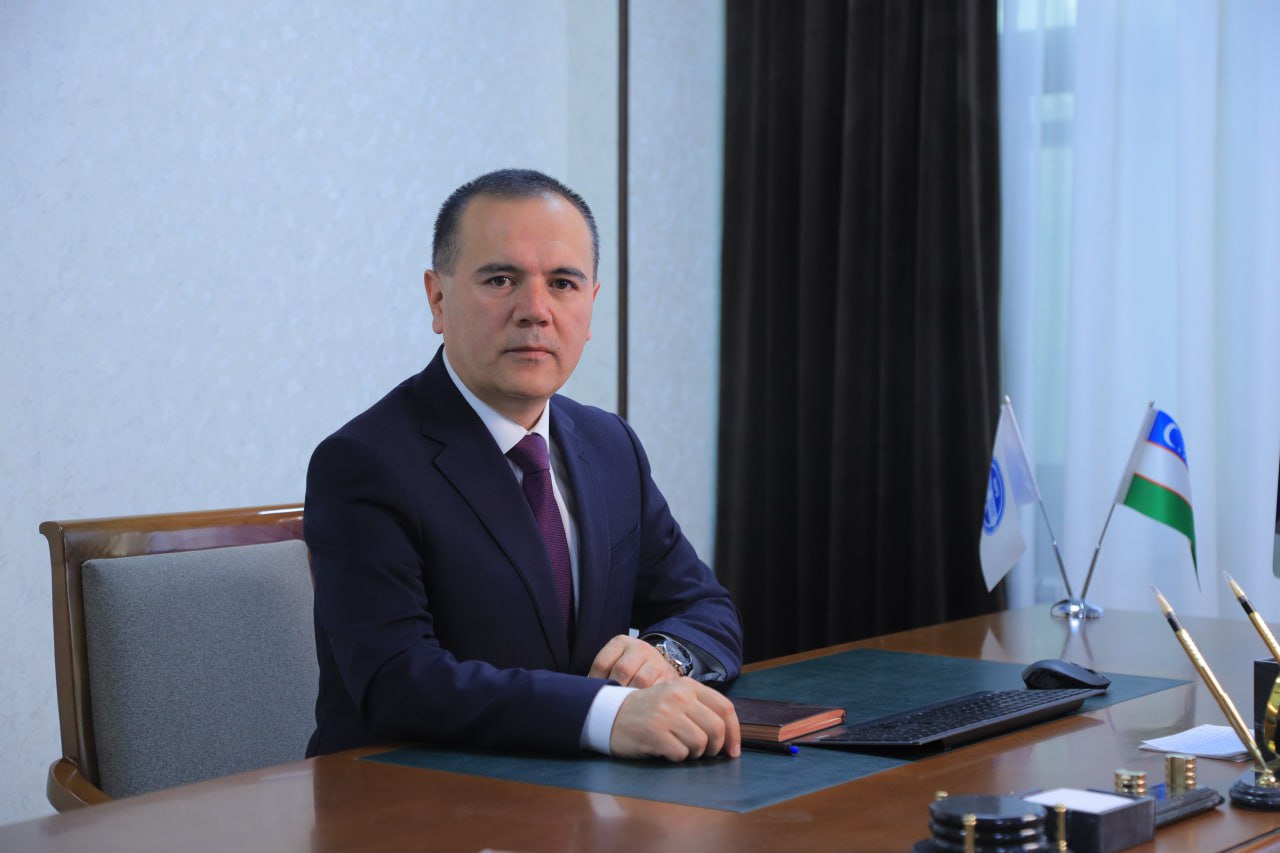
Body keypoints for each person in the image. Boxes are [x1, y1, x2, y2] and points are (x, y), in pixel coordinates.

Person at [304, 168, 743, 762]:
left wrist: (665, 657)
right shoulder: (363, 463)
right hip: (410, 794)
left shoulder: (610, 446)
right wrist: (607, 714)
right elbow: (398, 680)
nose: (535, 311)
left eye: (562, 283)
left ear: (591, 305)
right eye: (501, 279)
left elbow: (707, 610)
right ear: (437, 298)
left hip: (580, 792)